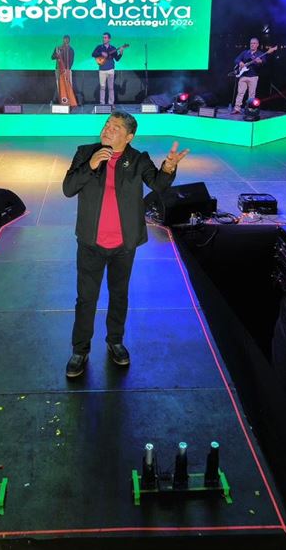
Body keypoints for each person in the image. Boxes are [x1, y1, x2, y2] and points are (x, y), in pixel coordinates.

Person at [62, 110, 190, 378]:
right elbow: (68, 188)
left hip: (124, 244)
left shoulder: (138, 159)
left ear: (129, 136)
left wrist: (168, 167)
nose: (107, 129)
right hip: (91, 243)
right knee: (86, 298)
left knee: (119, 295)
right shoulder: (85, 152)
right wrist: (91, 165)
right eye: (107, 124)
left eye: (116, 127)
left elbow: (158, 184)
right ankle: (80, 350)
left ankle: (115, 341)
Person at [231, 37, 267, 114]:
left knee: (251, 95)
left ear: (257, 44)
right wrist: (240, 62)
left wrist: (259, 61)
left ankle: (250, 109)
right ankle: (237, 108)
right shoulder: (245, 52)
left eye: (254, 43)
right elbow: (236, 59)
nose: (252, 45)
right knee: (240, 93)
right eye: (251, 43)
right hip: (243, 76)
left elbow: (264, 62)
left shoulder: (260, 54)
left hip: (253, 77)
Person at [92, 32, 124, 107]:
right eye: (103, 37)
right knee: (102, 88)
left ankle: (111, 103)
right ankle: (102, 103)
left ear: (109, 39)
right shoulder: (99, 47)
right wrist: (101, 53)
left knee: (111, 88)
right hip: (102, 70)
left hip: (110, 70)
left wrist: (121, 53)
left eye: (105, 37)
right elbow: (93, 54)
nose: (104, 39)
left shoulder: (113, 48)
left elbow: (117, 59)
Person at [51, 35, 76, 105]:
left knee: (69, 85)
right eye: (65, 39)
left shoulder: (71, 49)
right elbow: (52, 57)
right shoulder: (58, 48)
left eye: (67, 39)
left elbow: (71, 60)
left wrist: (67, 69)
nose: (66, 41)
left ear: (69, 40)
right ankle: (61, 100)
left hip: (67, 70)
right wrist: (57, 55)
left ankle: (69, 100)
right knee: (59, 85)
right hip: (58, 70)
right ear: (63, 40)